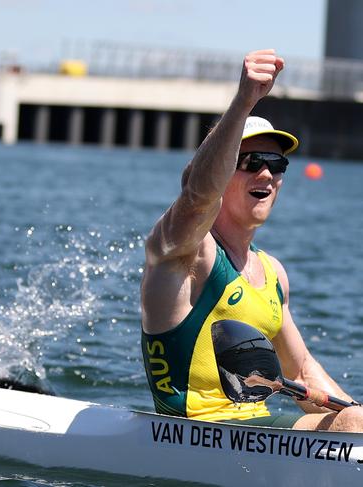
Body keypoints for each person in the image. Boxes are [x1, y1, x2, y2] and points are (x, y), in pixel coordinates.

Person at [140, 49, 363, 431]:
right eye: (250, 162)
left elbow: (303, 370)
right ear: (222, 168)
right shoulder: (189, 252)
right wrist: (244, 101)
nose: (266, 174)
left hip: (255, 431)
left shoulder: (272, 272)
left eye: (276, 165)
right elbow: (198, 195)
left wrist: (355, 412)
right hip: (192, 432)